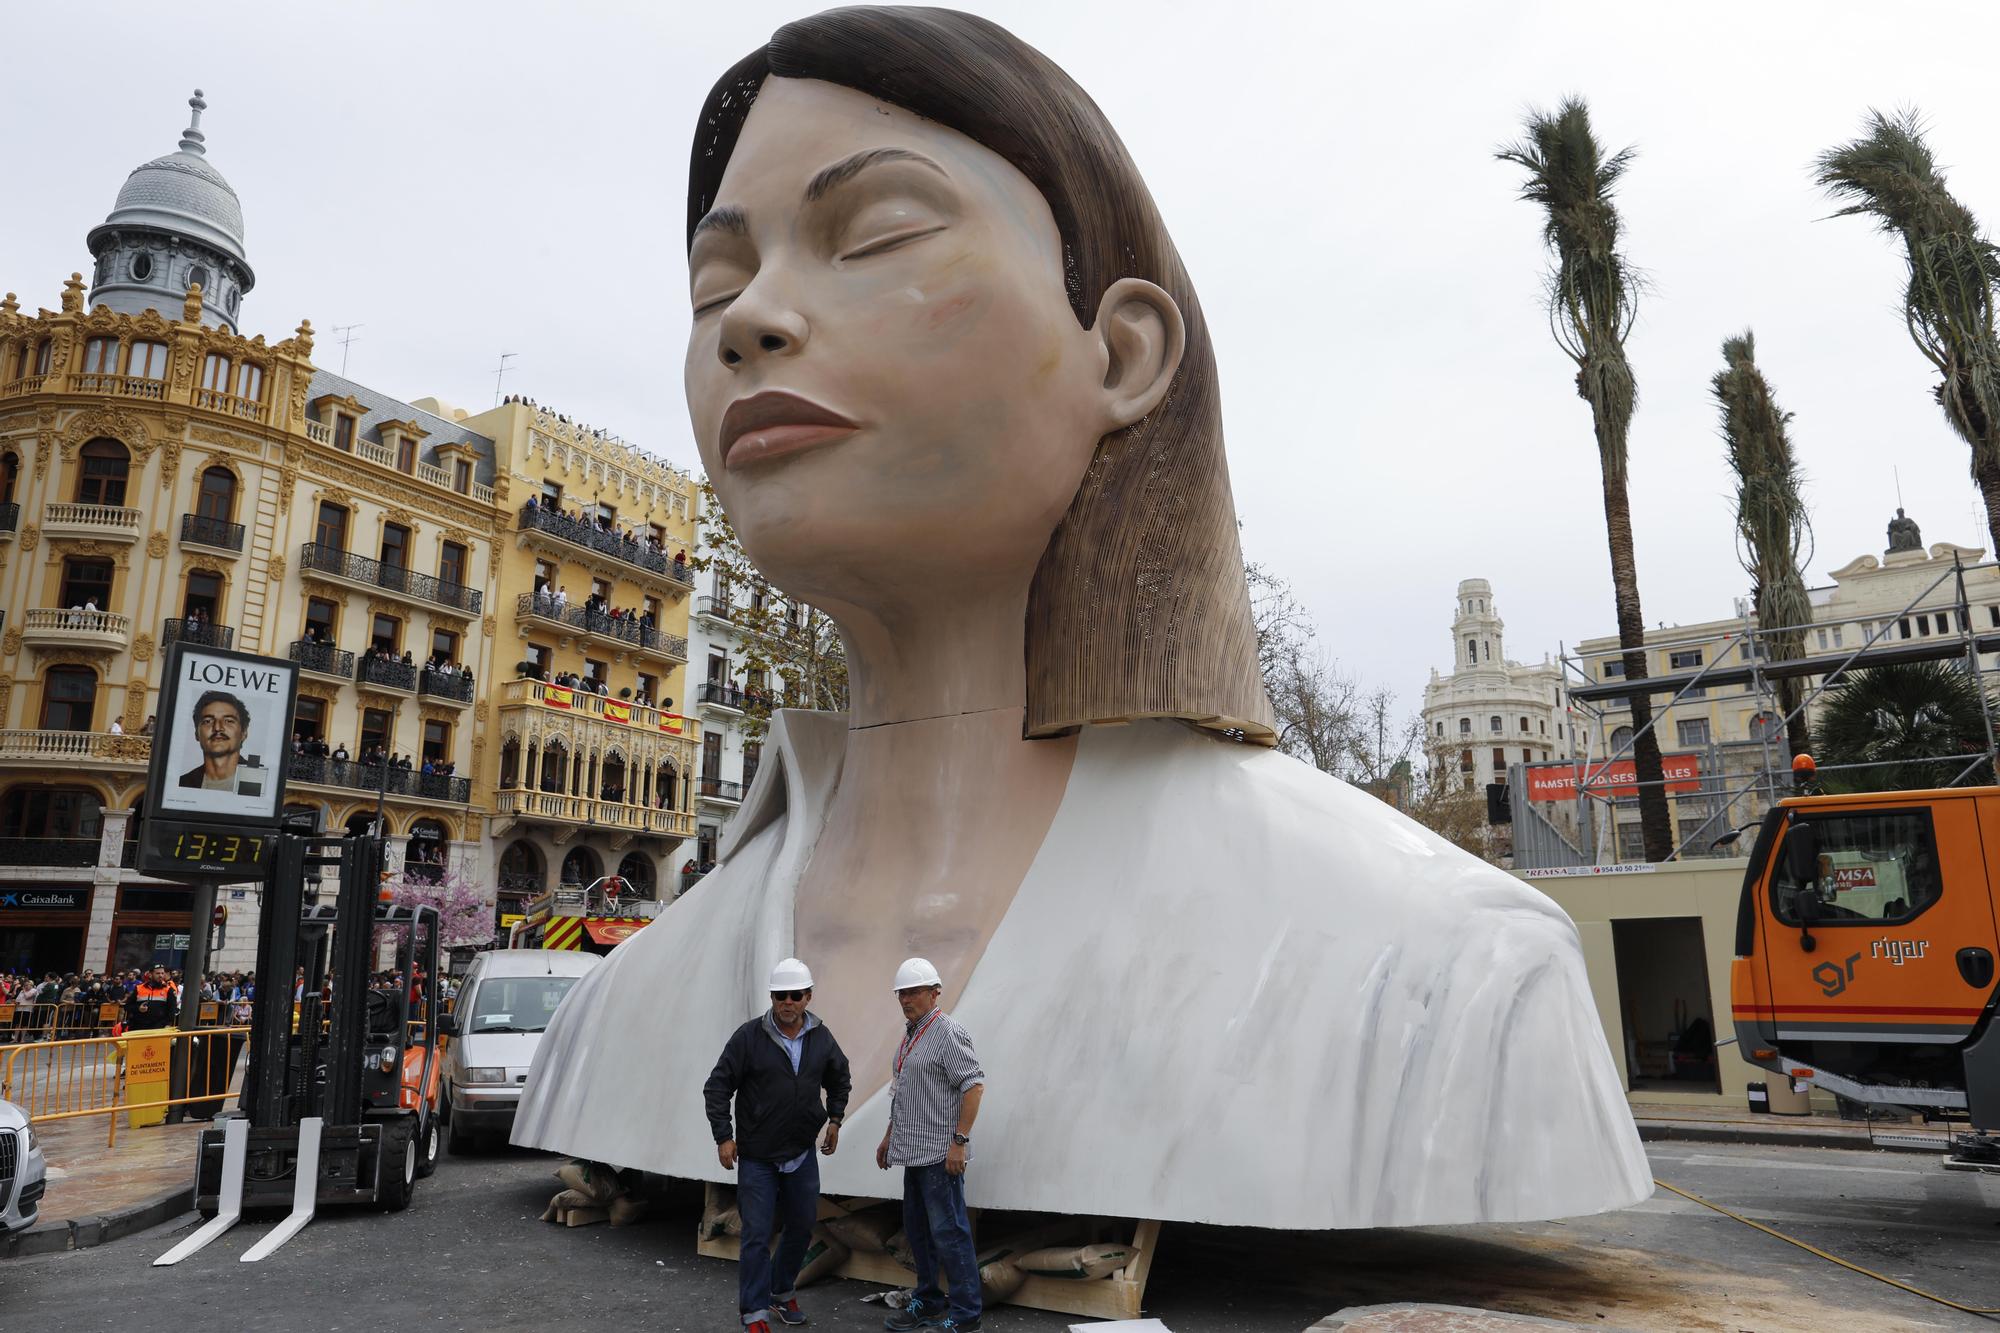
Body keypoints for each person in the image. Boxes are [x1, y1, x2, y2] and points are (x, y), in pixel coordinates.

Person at [516, 6, 1647, 1233]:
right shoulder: (620, 1009)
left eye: (877, 233)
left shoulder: (1453, 986)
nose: (748, 320)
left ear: (1121, 353)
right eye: (714, 285)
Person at [704, 958, 850, 1333]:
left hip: (801, 1153)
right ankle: (754, 1312)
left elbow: (840, 1076)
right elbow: (717, 1086)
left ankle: (782, 1292)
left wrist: (834, 1119)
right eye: (781, 995)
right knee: (755, 1234)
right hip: (758, 1157)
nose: (788, 1002)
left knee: (801, 1226)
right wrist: (724, 1136)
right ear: (771, 997)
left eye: (796, 995)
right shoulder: (749, 1038)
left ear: (808, 997)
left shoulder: (821, 1037)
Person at [877, 959, 984, 1333]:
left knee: (950, 1233)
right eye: (901, 993)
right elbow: (905, 1091)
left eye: (913, 991)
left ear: (934, 992)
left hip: (940, 1154)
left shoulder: (948, 1032)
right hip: (913, 1152)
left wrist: (959, 1142)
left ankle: (967, 1316)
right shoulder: (911, 1035)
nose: (906, 998)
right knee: (919, 1231)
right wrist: (891, 1135)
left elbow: (973, 1086)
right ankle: (929, 1299)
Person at [177, 690, 263, 796]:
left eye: (229, 721)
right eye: (208, 721)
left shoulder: (260, 780)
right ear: (196, 733)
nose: (218, 728)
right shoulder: (182, 783)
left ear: (244, 733)